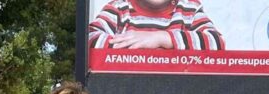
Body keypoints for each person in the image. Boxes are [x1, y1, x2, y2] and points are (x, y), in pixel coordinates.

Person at [89, 0, 225, 50]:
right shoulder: (120, 7)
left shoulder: (188, 9)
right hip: (129, 92)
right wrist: (137, 45)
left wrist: (162, 38)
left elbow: (216, 42)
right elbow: (90, 38)